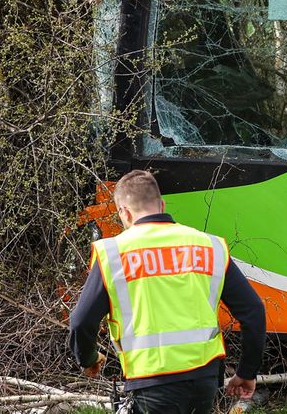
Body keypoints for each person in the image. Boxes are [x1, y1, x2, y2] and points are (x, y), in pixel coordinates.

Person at [70, 170, 266, 414]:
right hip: (204, 380)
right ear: (162, 205)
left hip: (152, 382)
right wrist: (247, 372)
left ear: (124, 212)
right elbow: (253, 311)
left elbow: (81, 322)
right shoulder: (209, 246)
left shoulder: (113, 254)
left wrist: (88, 359)